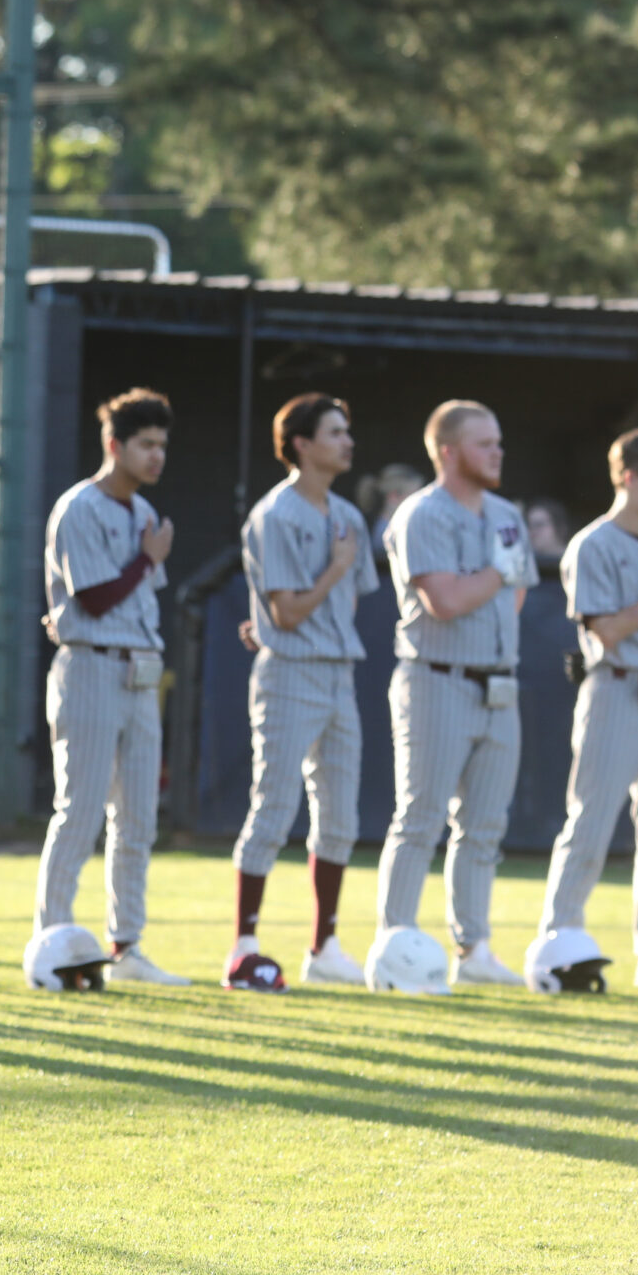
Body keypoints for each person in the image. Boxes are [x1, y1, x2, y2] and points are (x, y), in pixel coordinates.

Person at [368, 399, 537, 992]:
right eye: (483, 442)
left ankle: (475, 948)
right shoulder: (422, 514)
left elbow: (513, 599)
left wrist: (492, 581)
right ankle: (395, 945)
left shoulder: (506, 511)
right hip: (436, 676)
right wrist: (493, 572)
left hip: (497, 679)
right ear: (447, 450)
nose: (497, 451)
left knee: (486, 825)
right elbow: (446, 600)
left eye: (498, 441)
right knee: (420, 818)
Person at [32, 389, 186, 985]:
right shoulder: (80, 507)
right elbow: (94, 597)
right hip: (91, 665)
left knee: (138, 816)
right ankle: (53, 937)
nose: (156, 457)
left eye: (162, 446)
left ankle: (126, 947)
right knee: (80, 810)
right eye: (145, 444)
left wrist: (145, 563)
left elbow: (135, 595)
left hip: (139, 671)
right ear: (114, 445)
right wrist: (145, 561)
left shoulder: (144, 514)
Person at [227, 393, 375, 989]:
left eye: (347, 430)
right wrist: (333, 570)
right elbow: (286, 613)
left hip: (338, 671)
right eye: (335, 432)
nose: (347, 441)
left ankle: (325, 945)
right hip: (290, 670)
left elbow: (347, 601)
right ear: (302, 444)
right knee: (273, 807)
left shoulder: (348, 516)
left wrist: (332, 581)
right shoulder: (277, 514)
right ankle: (243, 944)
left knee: (339, 815)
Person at [535, 429, 638, 988]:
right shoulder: (592, 543)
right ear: (631, 476)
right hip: (617, 685)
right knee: (592, 818)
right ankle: (560, 933)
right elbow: (608, 629)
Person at [359, 462, 425, 553]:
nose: (420, 502)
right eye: (414, 496)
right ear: (394, 496)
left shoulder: (374, 527)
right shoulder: (384, 533)